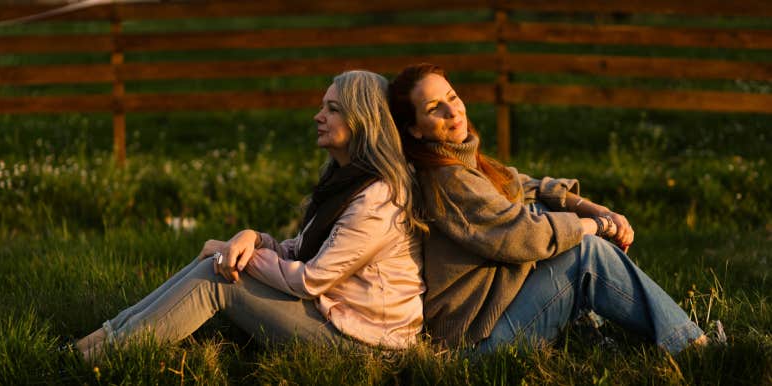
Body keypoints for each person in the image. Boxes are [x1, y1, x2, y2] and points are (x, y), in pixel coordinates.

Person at [75, 70, 426, 361]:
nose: (318, 117)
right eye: (323, 107)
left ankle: (100, 359)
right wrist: (252, 239)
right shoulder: (345, 179)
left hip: (370, 346)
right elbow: (300, 251)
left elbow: (311, 279)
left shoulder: (379, 198)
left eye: (332, 109)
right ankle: (91, 347)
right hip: (337, 317)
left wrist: (240, 257)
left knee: (220, 281)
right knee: (219, 262)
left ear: (362, 120)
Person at [386, 63, 706, 354]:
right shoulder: (448, 179)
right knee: (586, 255)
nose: (452, 111)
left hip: (493, 320)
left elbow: (522, 185)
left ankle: (587, 330)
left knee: (543, 209)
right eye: (433, 108)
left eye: (452, 97)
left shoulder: (462, 162)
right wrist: (597, 226)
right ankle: (691, 347)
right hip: (477, 346)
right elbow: (522, 234)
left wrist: (594, 209)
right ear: (415, 129)